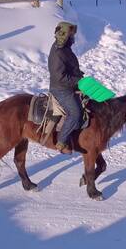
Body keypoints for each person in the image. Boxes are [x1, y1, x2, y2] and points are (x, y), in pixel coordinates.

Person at [48, 21, 84, 154]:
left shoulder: (64, 48)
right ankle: (61, 142)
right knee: (75, 113)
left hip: (69, 85)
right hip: (61, 89)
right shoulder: (58, 52)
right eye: (71, 35)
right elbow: (60, 77)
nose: (73, 38)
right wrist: (78, 81)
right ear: (65, 35)